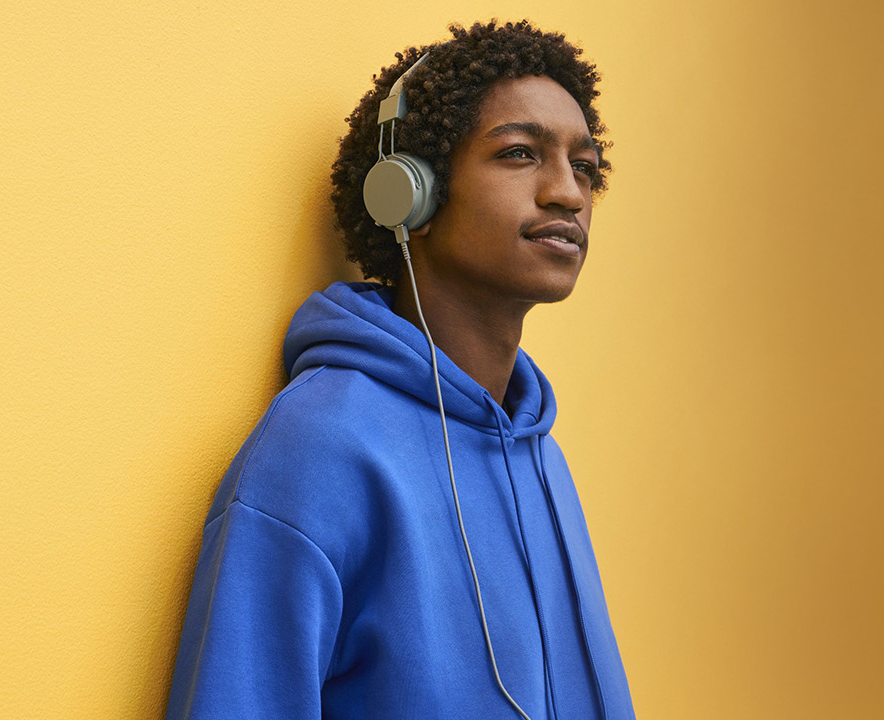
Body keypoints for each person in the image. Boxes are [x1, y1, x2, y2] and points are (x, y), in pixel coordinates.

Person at [164, 20, 633, 720]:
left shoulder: (542, 457)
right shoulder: (320, 448)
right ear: (408, 193)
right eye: (519, 154)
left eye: (585, 166)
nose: (568, 192)